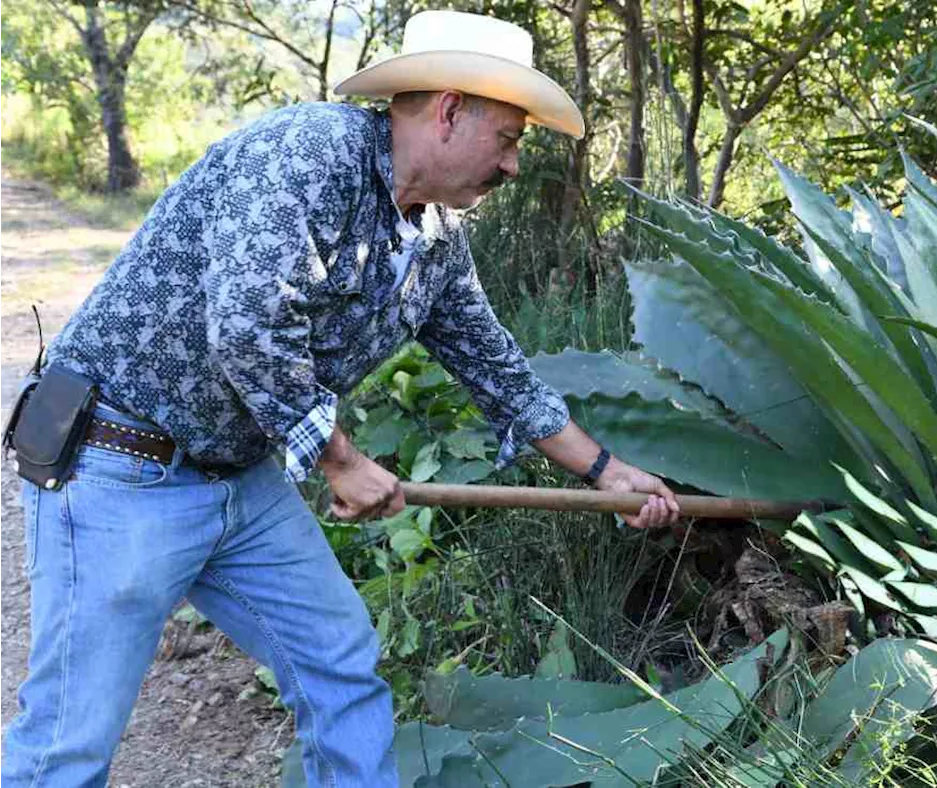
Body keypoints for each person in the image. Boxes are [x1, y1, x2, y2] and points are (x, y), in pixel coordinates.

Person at [0, 9, 680, 786]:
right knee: (69, 743)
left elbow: (497, 369)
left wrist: (606, 473)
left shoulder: (435, 238)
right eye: (510, 138)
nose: (515, 165)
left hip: (240, 478)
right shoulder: (311, 155)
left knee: (340, 662)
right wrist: (341, 459)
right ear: (451, 110)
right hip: (118, 466)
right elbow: (248, 326)